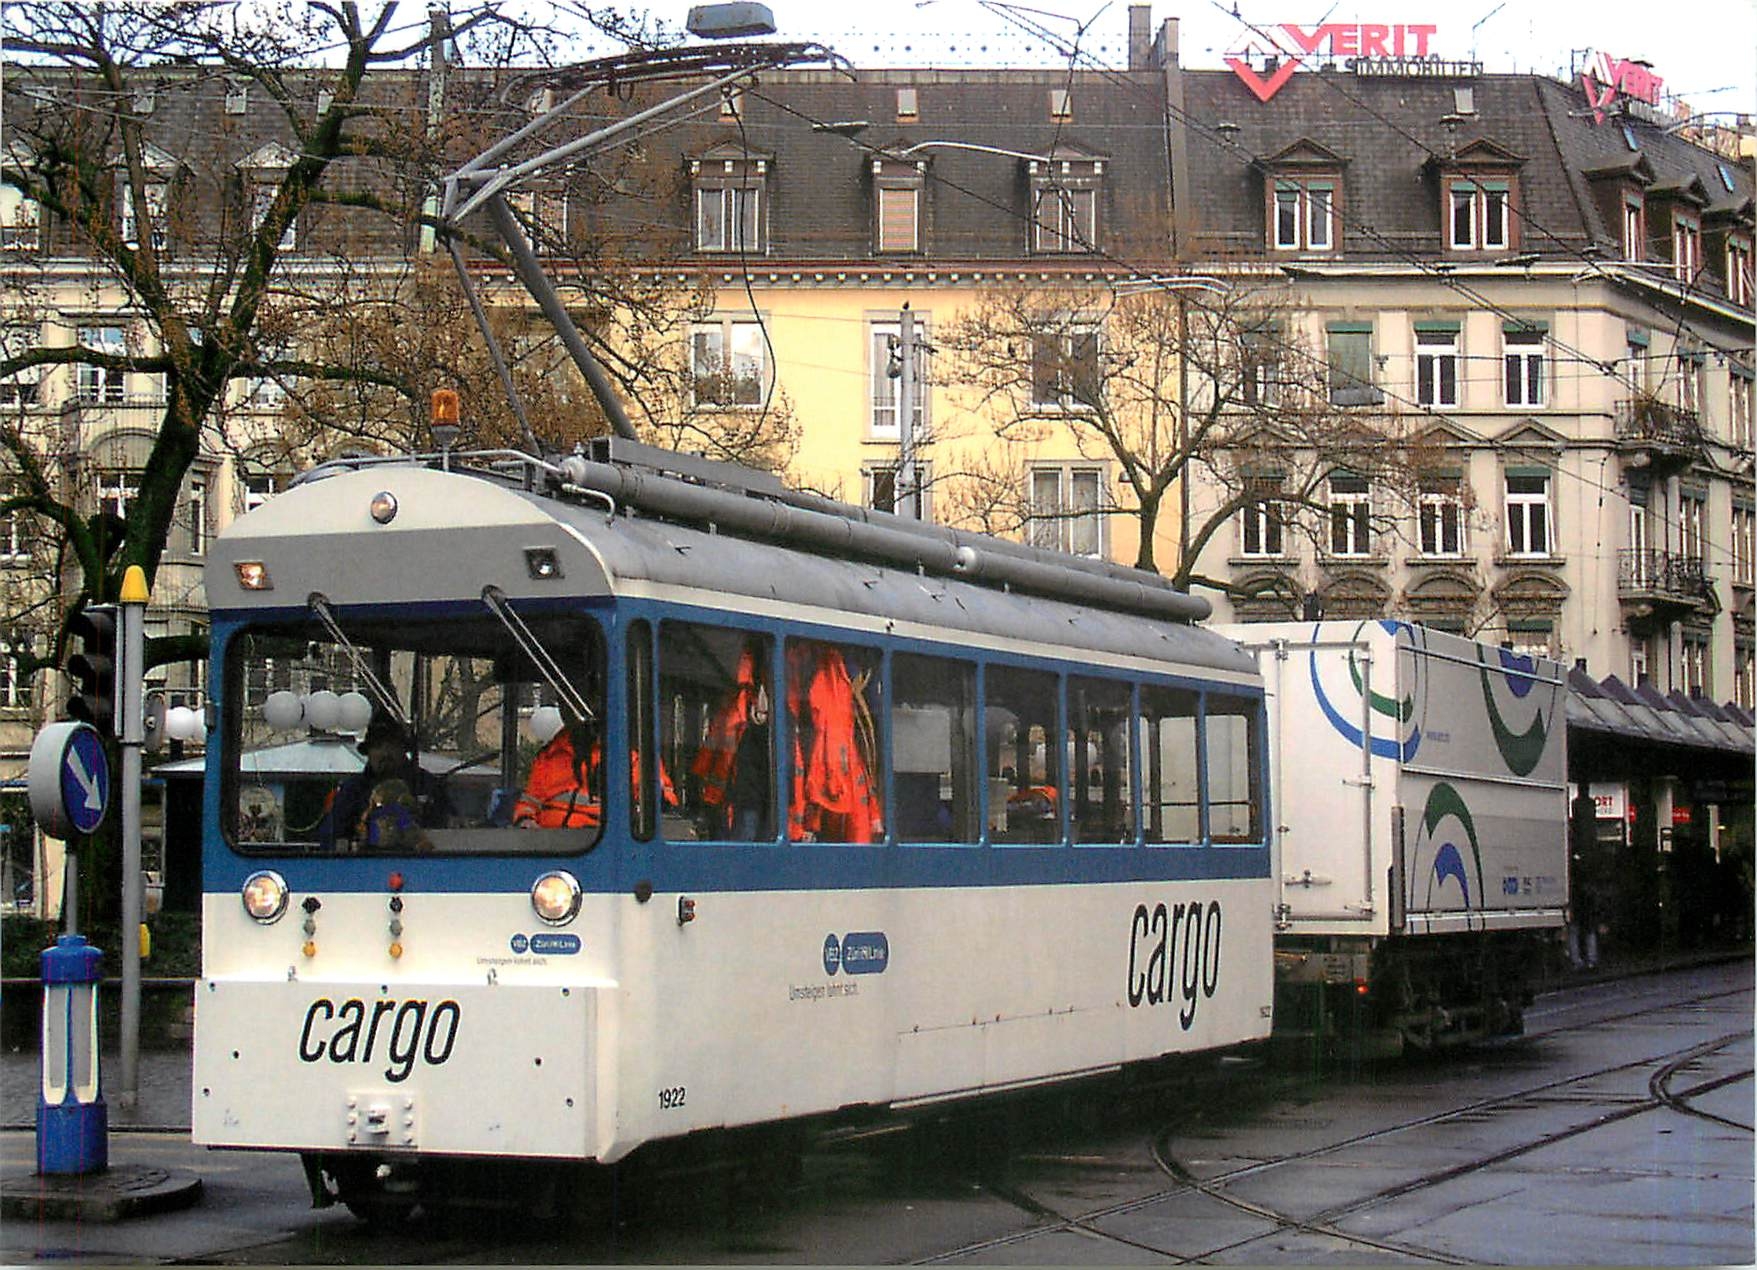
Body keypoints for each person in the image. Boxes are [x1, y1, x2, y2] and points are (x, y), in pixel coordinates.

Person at [513, 715, 676, 829]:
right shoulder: (551, 755)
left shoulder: (634, 756)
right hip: (551, 845)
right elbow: (529, 802)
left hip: (609, 845)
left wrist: (657, 794)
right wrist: (525, 821)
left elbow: (663, 801)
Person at [320, 713, 449, 851]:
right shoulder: (352, 790)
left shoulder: (427, 785)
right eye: (378, 746)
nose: (385, 753)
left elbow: (450, 833)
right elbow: (330, 836)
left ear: (403, 750)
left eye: (392, 745)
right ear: (368, 752)